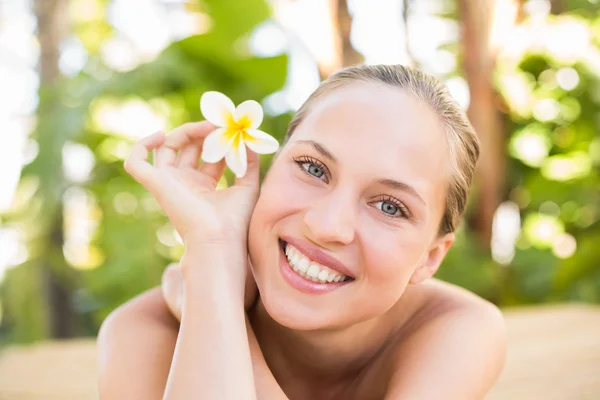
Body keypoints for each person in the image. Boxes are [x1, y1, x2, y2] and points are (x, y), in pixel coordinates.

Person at [97, 64, 507, 399]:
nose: (327, 226)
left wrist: (207, 305)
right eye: (314, 168)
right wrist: (212, 254)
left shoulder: (457, 331)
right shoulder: (141, 335)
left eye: (389, 206)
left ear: (430, 257)